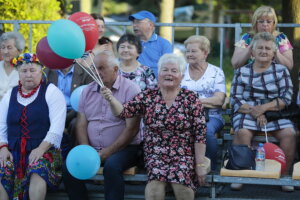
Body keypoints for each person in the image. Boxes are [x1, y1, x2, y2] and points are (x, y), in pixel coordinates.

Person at [101, 53, 208, 200]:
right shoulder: (148, 96)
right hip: (155, 153)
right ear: (158, 74)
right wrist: (111, 99)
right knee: (154, 190)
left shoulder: (191, 98)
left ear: (182, 77)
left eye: (174, 71)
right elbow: (123, 112)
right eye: (165, 70)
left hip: (183, 152)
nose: (169, 74)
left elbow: (200, 133)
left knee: (182, 188)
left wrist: (200, 164)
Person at [62, 50, 142, 200]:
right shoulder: (87, 90)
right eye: (94, 68)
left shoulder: (131, 89)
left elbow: (132, 129)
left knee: (111, 166)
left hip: (125, 148)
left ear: (116, 69)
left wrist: (108, 152)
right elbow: (81, 123)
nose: (97, 73)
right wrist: (86, 150)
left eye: (101, 68)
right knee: (69, 167)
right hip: (92, 148)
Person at [230, 32, 295, 192]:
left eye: (268, 48)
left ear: (274, 53)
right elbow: (235, 99)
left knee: (289, 133)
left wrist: (264, 109)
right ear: (252, 52)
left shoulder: (281, 71)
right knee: (243, 132)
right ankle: (241, 174)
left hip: (274, 110)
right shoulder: (241, 71)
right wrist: (256, 112)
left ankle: (284, 175)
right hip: (247, 110)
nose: (263, 51)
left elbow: (286, 97)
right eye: (259, 48)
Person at [0, 53, 66, 200]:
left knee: (38, 167)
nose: (28, 74)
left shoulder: (51, 92)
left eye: (32, 70)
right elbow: (1, 125)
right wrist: (3, 148)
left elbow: (56, 128)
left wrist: (41, 149)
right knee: (2, 167)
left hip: (45, 150)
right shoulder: (10, 94)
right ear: (18, 73)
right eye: (24, 71)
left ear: (40, 71)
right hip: (13, 150)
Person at [181, 35, 226, 171]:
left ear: (205, 53)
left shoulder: (216, 72)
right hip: (183, 115)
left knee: (204, 131)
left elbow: (219, 100)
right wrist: (206, 101)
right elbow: (173, 97)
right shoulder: (180, 70)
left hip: (210, 116)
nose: (189, 54)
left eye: (193, 51)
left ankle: (209, 169)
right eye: (187, 51)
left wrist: (192, 101)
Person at [44, 63, 93, 159]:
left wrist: (62, 119)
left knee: (76, 124)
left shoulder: (86, 73)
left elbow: (87, 102)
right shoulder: (47, 72)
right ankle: (47, 158)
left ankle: (72, 158)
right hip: (52, 112)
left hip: (75, 113)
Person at [231, 5, 293, 70]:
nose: (265, 24)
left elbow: (289, 66)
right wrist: (250, 48)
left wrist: (275, 51)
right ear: (255, 23)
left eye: (269, 21)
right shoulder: (247, 37)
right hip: (250, 77)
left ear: (274, 23)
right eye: (261, 21)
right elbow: (235, 64)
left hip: (275, 77)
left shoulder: (281, 38)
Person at [129, 10, 172, 78]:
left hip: (156, 84)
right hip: (134, 82)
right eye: (133, 22)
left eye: (138, 22)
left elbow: (169, 68)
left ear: (151, 25)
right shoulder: (130, 43)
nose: (134, 25)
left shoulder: (164, 44)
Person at [0, 31, 25, 101]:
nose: (5, 51)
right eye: (3, 47)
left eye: (9, 48)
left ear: (19, 50)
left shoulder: (25, 69)